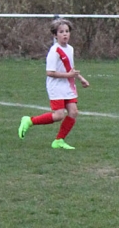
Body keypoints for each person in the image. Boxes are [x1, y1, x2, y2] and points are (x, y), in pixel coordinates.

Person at [18, 17, 90, 150]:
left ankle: (59, 141)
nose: (65, 34)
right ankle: (29, 121)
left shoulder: (70, 49)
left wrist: (81, 78)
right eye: (61, 32)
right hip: (56, 86)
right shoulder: (54, 51)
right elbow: (50, 72)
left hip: (68, 85)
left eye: (67, 31)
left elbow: (70, 68)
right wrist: (68, 76)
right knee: (59, 115)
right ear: (55, 35)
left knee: (73, 112)